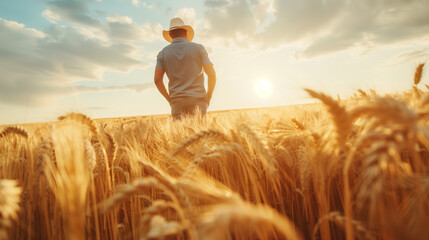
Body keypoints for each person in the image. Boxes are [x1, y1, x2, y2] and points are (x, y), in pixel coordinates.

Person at [154, 17, 216, 120]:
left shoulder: (162, 54)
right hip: (198, 100)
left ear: (170, 35)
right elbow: (211, 74)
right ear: (186, 32)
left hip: (177, 102)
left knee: (180, 136)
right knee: (200, 134)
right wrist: (208, 97)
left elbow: (157, 80)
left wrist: (170, 100)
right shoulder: (199, 48)